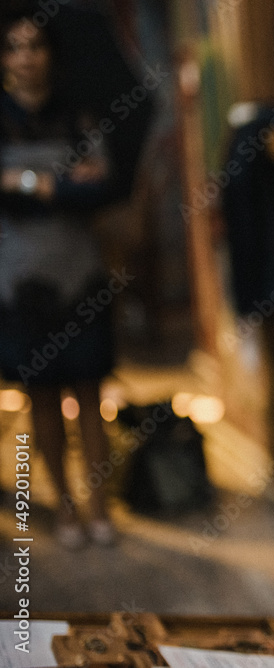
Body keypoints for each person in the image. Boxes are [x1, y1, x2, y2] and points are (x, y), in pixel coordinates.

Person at [0, 11, 118, 549]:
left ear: (52, 54)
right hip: (19, 275)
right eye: (14, 47)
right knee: (42, 394)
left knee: (90, 392)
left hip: (81, 271)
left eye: (36, 46)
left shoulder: (80, 115)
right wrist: (57, 183)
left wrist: (25, 183)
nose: (26, 57)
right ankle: (63, 506)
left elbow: (99, 191)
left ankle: (100, 507)